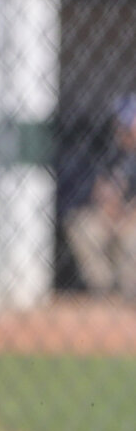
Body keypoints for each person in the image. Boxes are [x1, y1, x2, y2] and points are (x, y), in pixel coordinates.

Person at [64, 95, 136, 299]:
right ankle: (105, 291)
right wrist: (109, 211)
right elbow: (99, 191)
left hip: (132, 218)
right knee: (81, 225)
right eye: (121, 124)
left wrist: (126, 215)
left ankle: (130, 292)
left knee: (132, 237)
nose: (123, 130)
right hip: (110, 215)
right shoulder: (108, 152)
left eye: (129, 124)